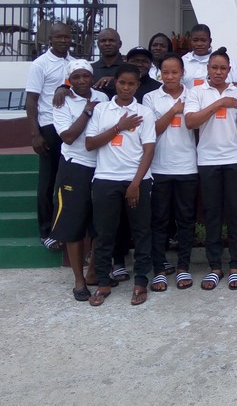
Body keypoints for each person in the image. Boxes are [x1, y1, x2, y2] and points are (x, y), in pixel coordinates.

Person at [85, 64, 156, 307]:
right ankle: (103, 282)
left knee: (141, 231)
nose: (126, 88)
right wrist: (118, 127)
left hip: (138, 180)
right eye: (122, 83)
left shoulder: (144, 112)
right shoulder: (102, 109)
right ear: (115, 82)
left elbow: (149, 150)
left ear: (138, 85)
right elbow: (90, 143)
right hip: (105, 179)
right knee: (104, 233)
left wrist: (135, 183)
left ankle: (140, 282)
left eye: (131, 84)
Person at [185, 48, 237, 290]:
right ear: (207, 69)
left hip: (236, 158)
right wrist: (220, 103)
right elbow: (191, 121)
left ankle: (236, 266)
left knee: (235, 212)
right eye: (214, 68)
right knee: (212, 214)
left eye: (223, 68)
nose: (218, 72)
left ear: (229, 70)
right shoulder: (197, 92)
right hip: (208, 159)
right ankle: (215, 267)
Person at [51, 59, 108, 300]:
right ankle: (78, 279)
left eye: (86, 76)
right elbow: (68, 136)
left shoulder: (102, 98)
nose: (82, 81)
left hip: (102, 166)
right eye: (76, 77)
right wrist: (87, 111)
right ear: (70, 80)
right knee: (74, 225)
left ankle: (93, 272)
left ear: (92, 77)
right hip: (75, 167)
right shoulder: (62, 100)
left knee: (100, 223)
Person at [143, 53, 198, 292]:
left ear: (182, 73)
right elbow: (152, 130)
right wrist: (175, 110)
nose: (170, 76)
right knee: (159, 220)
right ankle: (159, 268)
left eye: (175, 72)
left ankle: (183, 266)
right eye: (165, 72)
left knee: (186, 219)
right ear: (160, 74)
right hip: (160, 167)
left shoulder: (193, 94)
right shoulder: (150, 97)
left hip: (188, 166)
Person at [25, 22, 74, 250]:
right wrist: (35, 134)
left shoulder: (74, 63)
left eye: (67, 36)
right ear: (50, 39)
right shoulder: (40, 64)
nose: (63, 40)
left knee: (67, 181)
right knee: (48, 181)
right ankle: (46, 231)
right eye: (59, 37)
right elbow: (31, 100)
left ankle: (65, 228)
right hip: (49, 127)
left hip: (71, 128)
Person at [91, 28, 124, 96]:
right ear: (98, 44)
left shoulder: (129, 67)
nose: (107, 43)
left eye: (111, 40)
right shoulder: (90, 69)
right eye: (103, 41)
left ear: (120, 44)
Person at [182, 24, 212, 88]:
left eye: (203, 40)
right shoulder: (183, 61)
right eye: (195, 40)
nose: (199, 44)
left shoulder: (217, 60)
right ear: (190, 41)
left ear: (210, 41)